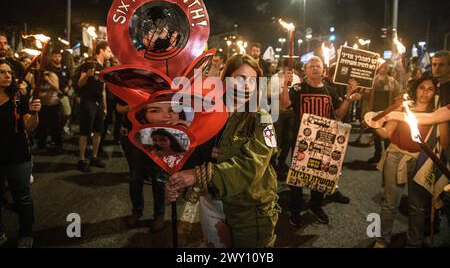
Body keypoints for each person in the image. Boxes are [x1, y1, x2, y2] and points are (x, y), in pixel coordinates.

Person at [166, 54, 280, 247]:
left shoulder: (263, 119)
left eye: (252, 81)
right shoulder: (204, 114)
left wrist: (197, 175)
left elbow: (250, 167)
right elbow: (193, 155)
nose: (246, 86)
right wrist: (178, 182)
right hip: (210, 204)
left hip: (248, 210)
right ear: (225, 79)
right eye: (240, 78)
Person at [370, 76, 448, 248]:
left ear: (435, 93)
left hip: (422, 161)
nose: (425, 92)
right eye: (422, 88)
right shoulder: (403, 107)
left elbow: (444, 144)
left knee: (418, 206)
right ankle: (381, 239)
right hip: (396, 156)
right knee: (390, 202)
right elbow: (387, 133)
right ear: (416, 89)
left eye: (430, 89)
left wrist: (444, 122)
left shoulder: (438, 114)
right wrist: (375, 125)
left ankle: (414, 241)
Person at [281, 56, 359, 226]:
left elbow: (338, 115)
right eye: (311, 66)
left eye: (318, 65)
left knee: (319, 174)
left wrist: (348, 96)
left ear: (323, 71)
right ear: (306, 70)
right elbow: (285, 104)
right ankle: (295, 209)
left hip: (323, 140)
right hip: (301, 139)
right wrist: (285, 85)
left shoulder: (330, 90)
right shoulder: (298, 88)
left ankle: (315, 206)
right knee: (298, 177)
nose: (315, 68)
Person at [0, 59, 41, 248]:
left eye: (9, 72)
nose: (7, 75)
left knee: (22, 197)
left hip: (18, 156)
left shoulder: (17, 96)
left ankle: (25, 232)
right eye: (2, 72)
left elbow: (29, 127)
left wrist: (34, 113)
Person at [117, 100, 168, 233]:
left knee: (158, 177)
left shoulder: (158, 81)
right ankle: (136, 211)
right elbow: (119, 107)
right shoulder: (127, 83)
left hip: (157, 134)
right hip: (133, 135)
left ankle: (159, 214)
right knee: (135, 176)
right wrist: (131, 107)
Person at [76, 40, 111, 172]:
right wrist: (87, 76)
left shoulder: (103, 68)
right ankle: (81, 159)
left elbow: (103, 90)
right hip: (88, 102)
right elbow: (80, 84)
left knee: (98, 131)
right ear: (101, 50)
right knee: (85, 131)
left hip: (99, 103)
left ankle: (94, 157)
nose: (110, 53)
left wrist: (105, 106)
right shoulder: (89, 64)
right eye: (108, 50)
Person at [35, 59, 62, 153]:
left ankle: (58, 144)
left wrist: (48, 80)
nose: (37, 66)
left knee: (54, 125)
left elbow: (57, 88)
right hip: (42, 104)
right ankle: (41, 143)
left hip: (52, 104)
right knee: (42, 125)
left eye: (38, 64)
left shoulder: (52, 75)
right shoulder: (38, 76)